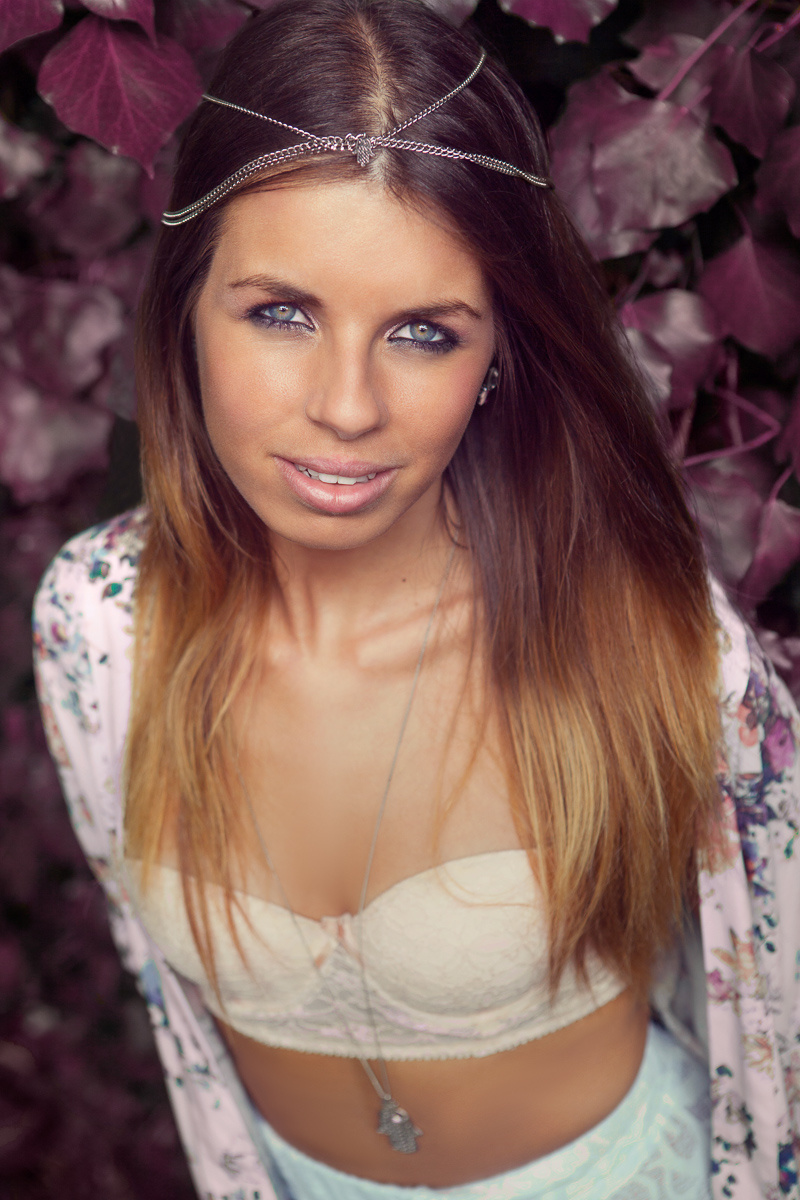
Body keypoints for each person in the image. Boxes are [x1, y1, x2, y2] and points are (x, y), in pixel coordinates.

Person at [31, 1, 800, 1197]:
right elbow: (182, 1032)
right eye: (280, 313)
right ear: (185, 307)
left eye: (423, 334)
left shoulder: (646, 636)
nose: (346, 407)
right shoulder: (97, 624)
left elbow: (775, 1016)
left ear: (496, 356)